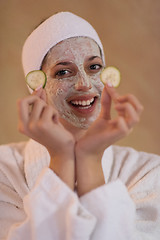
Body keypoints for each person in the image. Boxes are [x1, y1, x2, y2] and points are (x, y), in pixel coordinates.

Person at [0, 11, 160, 240]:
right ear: (36, 87)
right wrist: (60, 158)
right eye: (63, 72)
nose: (84, 85)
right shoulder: (4, 169)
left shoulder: (149, 173)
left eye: (94, 67)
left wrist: (90, 158)